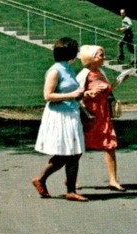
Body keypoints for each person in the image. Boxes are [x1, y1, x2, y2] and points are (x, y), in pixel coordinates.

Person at [31, 37, 88, 202]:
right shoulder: (55, 71)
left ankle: (70, 190)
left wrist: (82, 96)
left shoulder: (69, 69)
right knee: (67, 152)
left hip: (71, 113)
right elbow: (47, 95)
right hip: (60, 116)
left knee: (75, 152)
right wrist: (73, 94)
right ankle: (42, 179)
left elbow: (72, 92)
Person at [76, 45, 131, 191]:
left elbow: (107, 90)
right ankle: (70, 178)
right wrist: (89, 93)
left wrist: (120, 81)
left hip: (103, 113)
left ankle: (113, 180)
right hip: (89, 114)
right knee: (79, 147)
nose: (104, 57)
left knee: (110, 144)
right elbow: (76, 95)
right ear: (92, 57)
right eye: (101, 55)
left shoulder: (101, 72)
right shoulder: (84, 74)